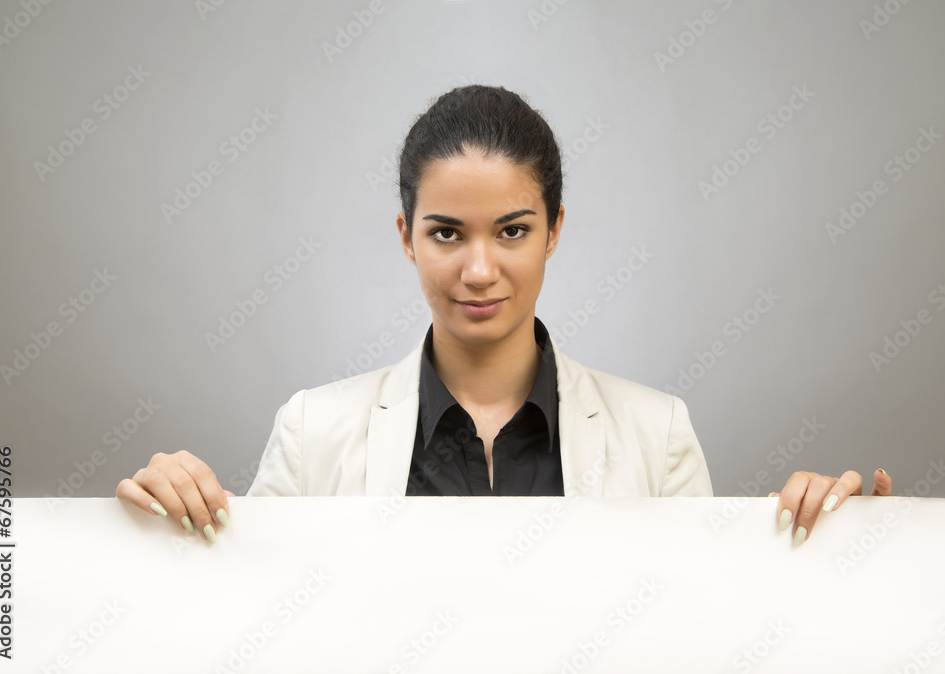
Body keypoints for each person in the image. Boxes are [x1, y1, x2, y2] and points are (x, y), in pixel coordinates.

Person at [116, 85, 892, 547]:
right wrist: (172, 514)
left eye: (513, 231)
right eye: (446, 232)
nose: (479, 269)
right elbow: (244, 623)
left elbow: (705, 635)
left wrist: (832, 546)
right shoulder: (313, 429)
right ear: (406, 238)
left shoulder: (657, 434)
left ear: (555, 230)